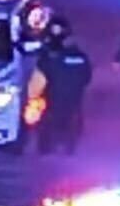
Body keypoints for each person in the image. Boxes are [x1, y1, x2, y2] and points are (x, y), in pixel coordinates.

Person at [36, 18, 93, 155]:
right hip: (70, 97)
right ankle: (65, 147)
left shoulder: (49, 55)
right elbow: (87, 76)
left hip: (55, 97)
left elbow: (41, 72)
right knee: (68, 120)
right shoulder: (79, 55)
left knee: (51, 120)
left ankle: (51, 148)